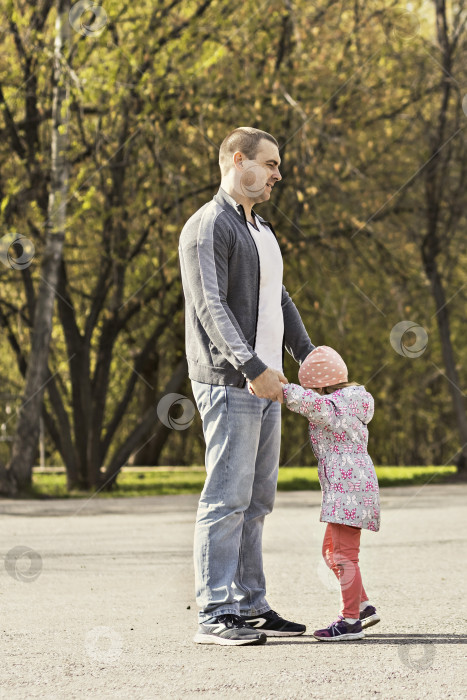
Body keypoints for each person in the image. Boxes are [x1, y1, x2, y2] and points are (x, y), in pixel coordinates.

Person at [178, 127, 315, 646]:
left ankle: (250, 605)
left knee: (257, 500)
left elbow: (280, 299)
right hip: (232, 381)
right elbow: (209, 306)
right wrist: (251, 366)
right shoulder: (208, 227)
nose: (278, 173)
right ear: (241, 161)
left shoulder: (260, 228)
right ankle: (214, 613)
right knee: (226, 499)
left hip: (266, 383)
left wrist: (307, 356)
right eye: (271, 163)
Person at [282, 345, 381, 641]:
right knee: (331, 552)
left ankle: (349, 621)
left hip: (346, 493)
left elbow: (313, 406)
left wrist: (284, 389)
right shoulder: (354, 401)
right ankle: (362, 607)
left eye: (314, 389)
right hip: (353, 490)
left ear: (323, 386)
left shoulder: (335, 406)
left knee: (344, 555)